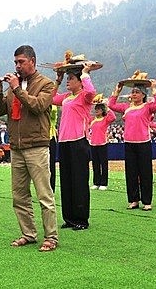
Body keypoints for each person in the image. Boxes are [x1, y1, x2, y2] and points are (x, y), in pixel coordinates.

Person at [0, 44, 58, 252]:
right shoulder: (14, 87)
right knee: (19, 195)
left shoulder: (46, 84)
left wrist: (17, 89)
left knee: (44, 195)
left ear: (32, 62)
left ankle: (51, 237)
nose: (17, 66)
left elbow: (38, 106)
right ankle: (28, 234)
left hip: (37, 146)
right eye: (15, 63)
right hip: (17, 147)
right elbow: (2, 110)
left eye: (21, 62)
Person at [108, 78, 156, 211]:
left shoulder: (147, 107)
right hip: (129, 143)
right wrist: (117, 90)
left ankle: (147, 201)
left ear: (143, 95)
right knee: (131, 172)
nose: (134, 94)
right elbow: (111, 105)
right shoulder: (126, 107)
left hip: (143, 143)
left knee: (145, 173)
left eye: (137, 92)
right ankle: (133, 200)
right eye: (133, 92)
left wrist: (153, 88)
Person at [52, 62, 96, 229]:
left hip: (79, 141)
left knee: (79, 180)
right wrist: (58, 80)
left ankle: (81, 219)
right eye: (67, 78)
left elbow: (91, 91)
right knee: (67, 180)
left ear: (79, 81)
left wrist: (85, 73)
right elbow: (50, 99)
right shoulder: (65, 97)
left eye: (70, 78)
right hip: (64, 142)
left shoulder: (85, 96)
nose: (67, 81)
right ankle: (69, 218)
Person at [89, 96, 116, 190]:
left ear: (102, 110)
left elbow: (113, 117)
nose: (96, 110)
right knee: (95, 164)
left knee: (103, 164)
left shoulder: (105, 119)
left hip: (102, 144)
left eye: (99, 109)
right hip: (93, 144)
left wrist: (106, 106)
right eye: (96, 109)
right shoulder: (92, 120)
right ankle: (96, 182)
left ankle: (104, 183)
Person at [48, 105, 59, 191]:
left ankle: (51, 188)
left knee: (51, 164)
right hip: (38, 138)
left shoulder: (53, 106)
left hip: (50, 138)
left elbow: (54, 111)